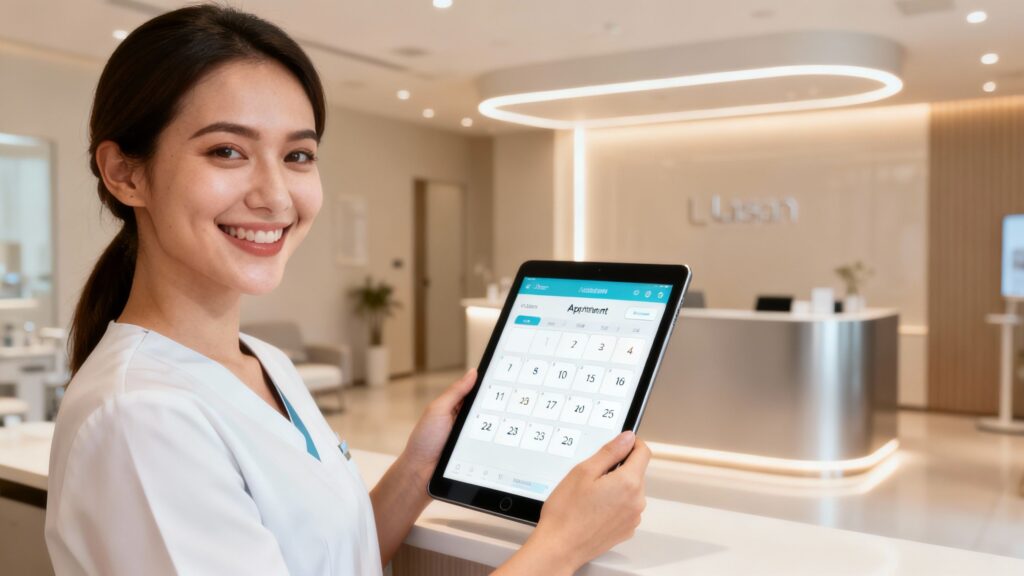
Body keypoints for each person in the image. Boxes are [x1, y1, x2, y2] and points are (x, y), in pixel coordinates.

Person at [44, 5, 651, 575]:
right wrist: (563, 544)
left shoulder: (265, 363)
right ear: (125, 173)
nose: (276, 196)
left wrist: (420, 465)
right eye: (227, 151)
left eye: (299, 155)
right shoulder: (141, 418)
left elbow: (336, 559)